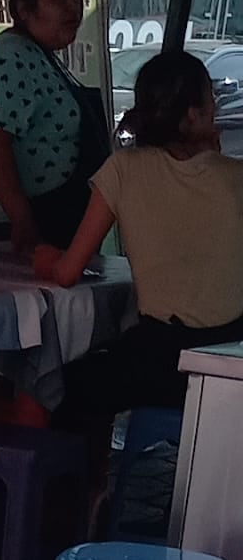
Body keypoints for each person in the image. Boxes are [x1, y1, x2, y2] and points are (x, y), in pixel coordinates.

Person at [36, 50, 243, 424]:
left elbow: (68, 273)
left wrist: (46, 256)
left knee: (68, 386)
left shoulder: (122, 169)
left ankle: (90, 482)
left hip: (158, 361)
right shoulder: (235, 178)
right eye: (209, 97)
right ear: (193, 116)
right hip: (229, 361)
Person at [0, 0, 111, 253]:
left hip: (58, 228)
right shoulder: (11, 59)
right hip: (21, 237)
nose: (74, 6)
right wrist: (23, 221)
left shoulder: (39, 56)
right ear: (24, 9)